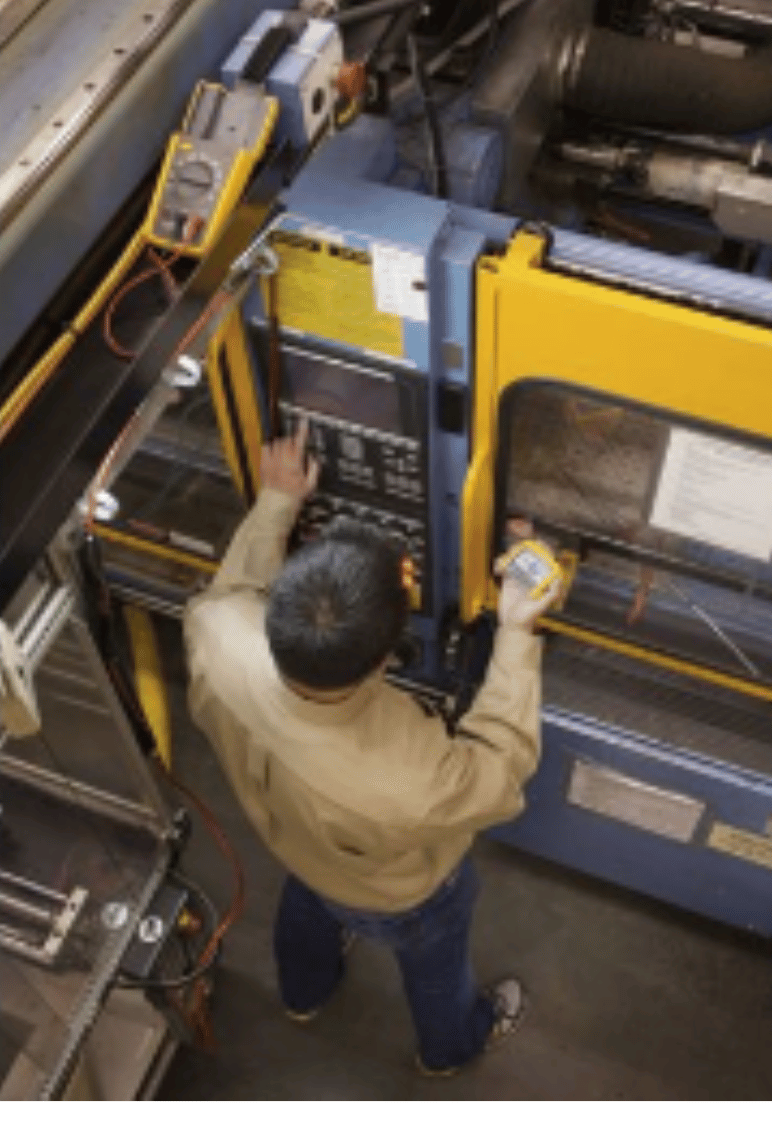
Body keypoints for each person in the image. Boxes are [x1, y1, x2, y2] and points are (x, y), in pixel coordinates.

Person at [183, 420, 559, 1076]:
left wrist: (277, 499)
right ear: (389, 657)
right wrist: (518, 632)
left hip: (292, 842)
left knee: (308, 909)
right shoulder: (408, 779)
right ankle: (451, 1047)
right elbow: (500, 770)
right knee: (436, 967)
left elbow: (233, 590)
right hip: (397, 893)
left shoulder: (215, 633)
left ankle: (304, 995)